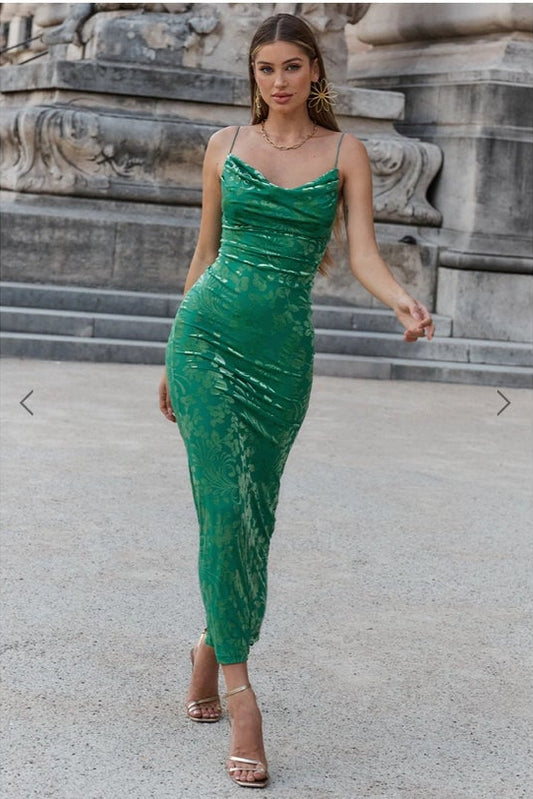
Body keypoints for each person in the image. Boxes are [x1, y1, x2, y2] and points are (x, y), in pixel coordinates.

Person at [159, 12, 435, 790]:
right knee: (224, 508)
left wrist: (399, 302)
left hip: (281, 357)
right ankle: (244, 698)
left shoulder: (346, 153)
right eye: (264, 69)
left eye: (290, 67)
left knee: (255, 512)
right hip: (205, 344)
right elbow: (202, 254)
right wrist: (167, 359)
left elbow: (361, 256)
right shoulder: (224, 148)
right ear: (253, 78)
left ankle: (207, 653)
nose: (277, 82)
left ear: (315, 72)